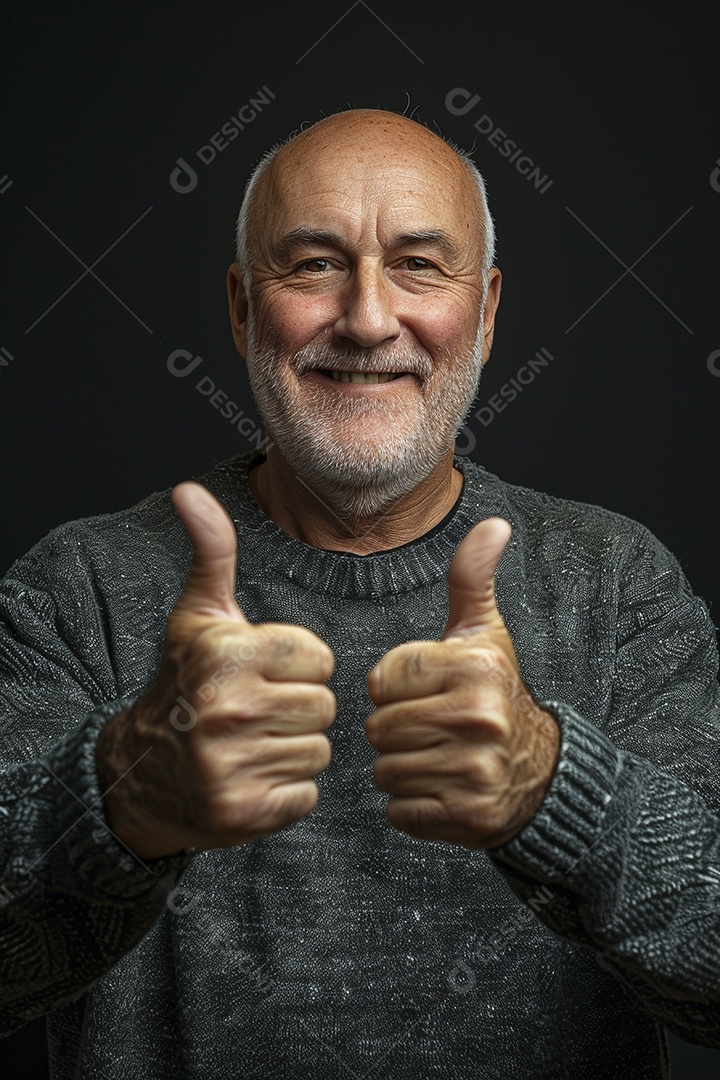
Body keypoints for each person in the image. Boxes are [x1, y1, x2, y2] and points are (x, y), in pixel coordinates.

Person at [0, 108, 718, 1079]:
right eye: (312, 264)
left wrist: (557, 789)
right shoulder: (73, 589)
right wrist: (120, 796)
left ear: (489, 310)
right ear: (244, 309)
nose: (369, 317)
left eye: (420, 263)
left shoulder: (618, 581)